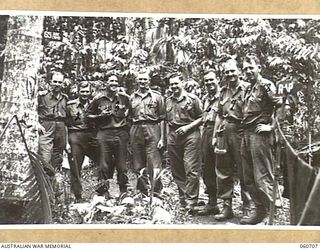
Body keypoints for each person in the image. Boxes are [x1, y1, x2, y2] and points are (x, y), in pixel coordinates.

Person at [240, 54, 281, 225]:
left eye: (251, 67)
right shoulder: (249, 88)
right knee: (248, 176)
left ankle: (273, 213)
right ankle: (259, 210)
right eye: (245, 69)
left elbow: (281, 105)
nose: (248, 71)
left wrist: (271, 127)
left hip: (260, 135)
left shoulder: (266, 85)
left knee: (263, 175)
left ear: (259, 68)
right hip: (246, 134)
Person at [211, 59, 251, 221]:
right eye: (227, 72)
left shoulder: (247, 89)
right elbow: (220, 115)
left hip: (241, 131)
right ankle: (226, 207)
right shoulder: (223, 91)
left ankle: (247, 207)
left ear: (239, 72)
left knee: (244, 170)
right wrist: (215, 135)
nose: (230, 74)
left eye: (232, 71)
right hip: (224, 132)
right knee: (223, 170)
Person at [86, 73, 130, 197]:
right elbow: (87, 115)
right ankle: (103, 191)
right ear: (106, 83)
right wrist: (99, 117)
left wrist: (127, 131)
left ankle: (123, 191)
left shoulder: (124, 98)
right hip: (104, 133)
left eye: (116, 81)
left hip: (120, 133)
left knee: (122, 164)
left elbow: (130, 114)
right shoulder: (98, 99)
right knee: (103, 164)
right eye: (111, 81)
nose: (114, 83)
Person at [166, 72, 203, 213]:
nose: (174, 86)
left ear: (182, 82)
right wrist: (164, 138)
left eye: (176, 83)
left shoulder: (192, 99)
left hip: (190, 135)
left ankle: (191, 201)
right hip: (173, 135)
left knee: (191, 168)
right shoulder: (168, 100)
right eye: (171, 84)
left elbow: (202, 117)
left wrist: (187, 127)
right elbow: (165, 120)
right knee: (177, 169)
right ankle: (183, 198)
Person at [129, 71, 165, 195]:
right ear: (137, 81)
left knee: (153, 159)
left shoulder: (157, 97)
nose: (143, 82)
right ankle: (143, 191)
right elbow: (129, 116)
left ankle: (156, 191)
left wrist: (162, 138)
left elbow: (162, 118)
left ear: (149, 81)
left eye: (145, 79)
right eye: (140, 79)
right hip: (136, 128)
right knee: (138, 161)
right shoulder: (132, 98)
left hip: (152, 127)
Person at [66, 80, 99, 202]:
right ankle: (77, 195)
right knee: (75, 166)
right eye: (82, 91)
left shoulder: (95, 105)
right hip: (76, 136)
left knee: (103, 162)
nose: (84, 94)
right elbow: (64, 124)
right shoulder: (70, 105)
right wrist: (66, 142)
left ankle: (102, 191)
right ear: (78, 92)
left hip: (92, 136)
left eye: (87, 91)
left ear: (90, 92)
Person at [197, 70, 220, 216]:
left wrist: (217, 135)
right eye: (206, 81)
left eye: (212, 80)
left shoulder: (223, 96)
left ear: (217, 80)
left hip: (219, 132)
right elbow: (203, 118)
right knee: (207, 168)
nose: (209, 83)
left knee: (223, 168)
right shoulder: (205, 98)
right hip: (206, 131)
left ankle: (227, 204)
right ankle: (212, 203)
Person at [38, 72, 68, 171]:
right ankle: (45, 180)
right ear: (50, 82)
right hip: (47, 126)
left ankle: (54, 181)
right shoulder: (42, 97)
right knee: (45, 156)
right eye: (55, 81)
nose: (57, 84)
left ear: (63, 83)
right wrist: (36, 123)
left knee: (58, 155)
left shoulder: (65, 98)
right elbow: (33, 111)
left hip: (61, 127)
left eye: (60, 82)